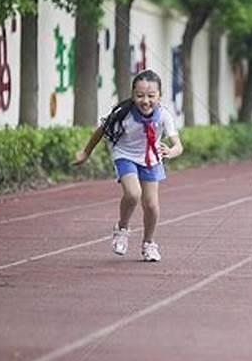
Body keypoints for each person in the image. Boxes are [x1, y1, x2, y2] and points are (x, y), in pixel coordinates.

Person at [72, 69, 183, 262]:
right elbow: (100, 131)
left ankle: (149, 244)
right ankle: (122, 228)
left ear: (159, 96)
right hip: (125, 155)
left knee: (151, 205)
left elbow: (178, 145)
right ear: (132, 95)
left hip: (150, 157)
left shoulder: (164, 115)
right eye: (139, 96)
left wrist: (171, 152)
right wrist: (85, 152)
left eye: (151, 96)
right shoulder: (123, 114)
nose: (145, 101)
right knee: (133, 193)